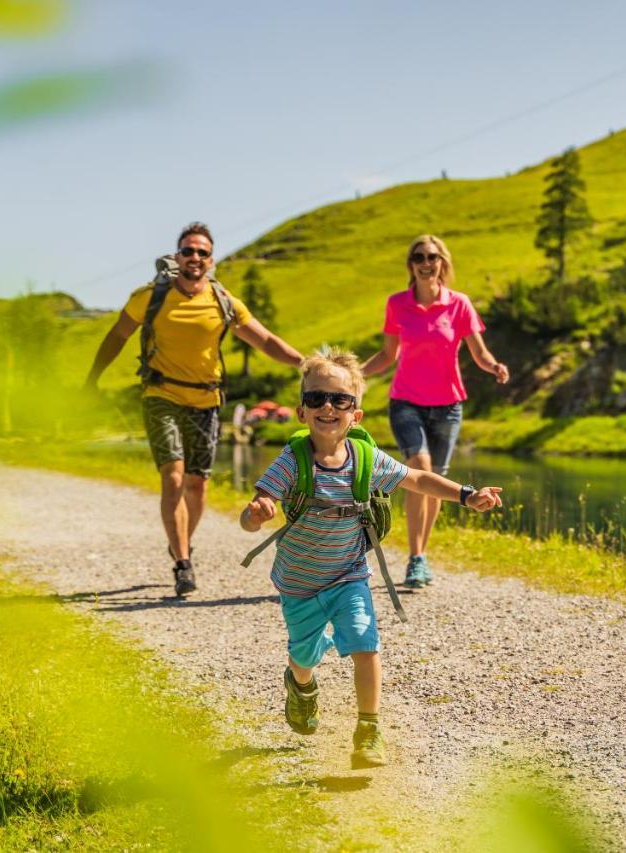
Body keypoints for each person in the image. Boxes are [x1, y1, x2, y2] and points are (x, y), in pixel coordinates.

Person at [240, 346, 502, 768]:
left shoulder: (366, 458)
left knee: (367, 645)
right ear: (301, 412)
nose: (328, 407)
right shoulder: (292, 461)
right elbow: (256, 508)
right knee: (304, 656)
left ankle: (368, 730)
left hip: (349, 575)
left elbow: (416, 477)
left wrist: (467, 496)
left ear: (355, 414)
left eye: (340, 400)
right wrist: (256, 515)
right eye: (316, 399)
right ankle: (301, 685)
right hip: (300, 583)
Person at [85, 222, 303, 598]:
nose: (195, 258)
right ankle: (183, 563)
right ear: (177, 256)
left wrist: (305, 363)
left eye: (202, 252)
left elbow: (264, 340)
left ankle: (181, 540)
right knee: (172, 476)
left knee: (198, 486)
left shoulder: (223, 302)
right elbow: (117, 335)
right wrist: (93, 378)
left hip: (206, 400)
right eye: (188, 251)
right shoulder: (150, 297)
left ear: (211, 260)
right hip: (161, 395)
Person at [360, 234, 510, 590]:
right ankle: (414, 559)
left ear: (443, 262)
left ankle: (421, 555)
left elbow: (479, 352)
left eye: (432, 257)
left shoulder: (459, 304)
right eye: (418, 257)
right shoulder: (397, 304)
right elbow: (387, 356)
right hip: (406, 401)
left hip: (448, 405)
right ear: (411, 265)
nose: (426, 263)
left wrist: (494, 367)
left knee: (438, 479)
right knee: (420, 470)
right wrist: (353, 374)